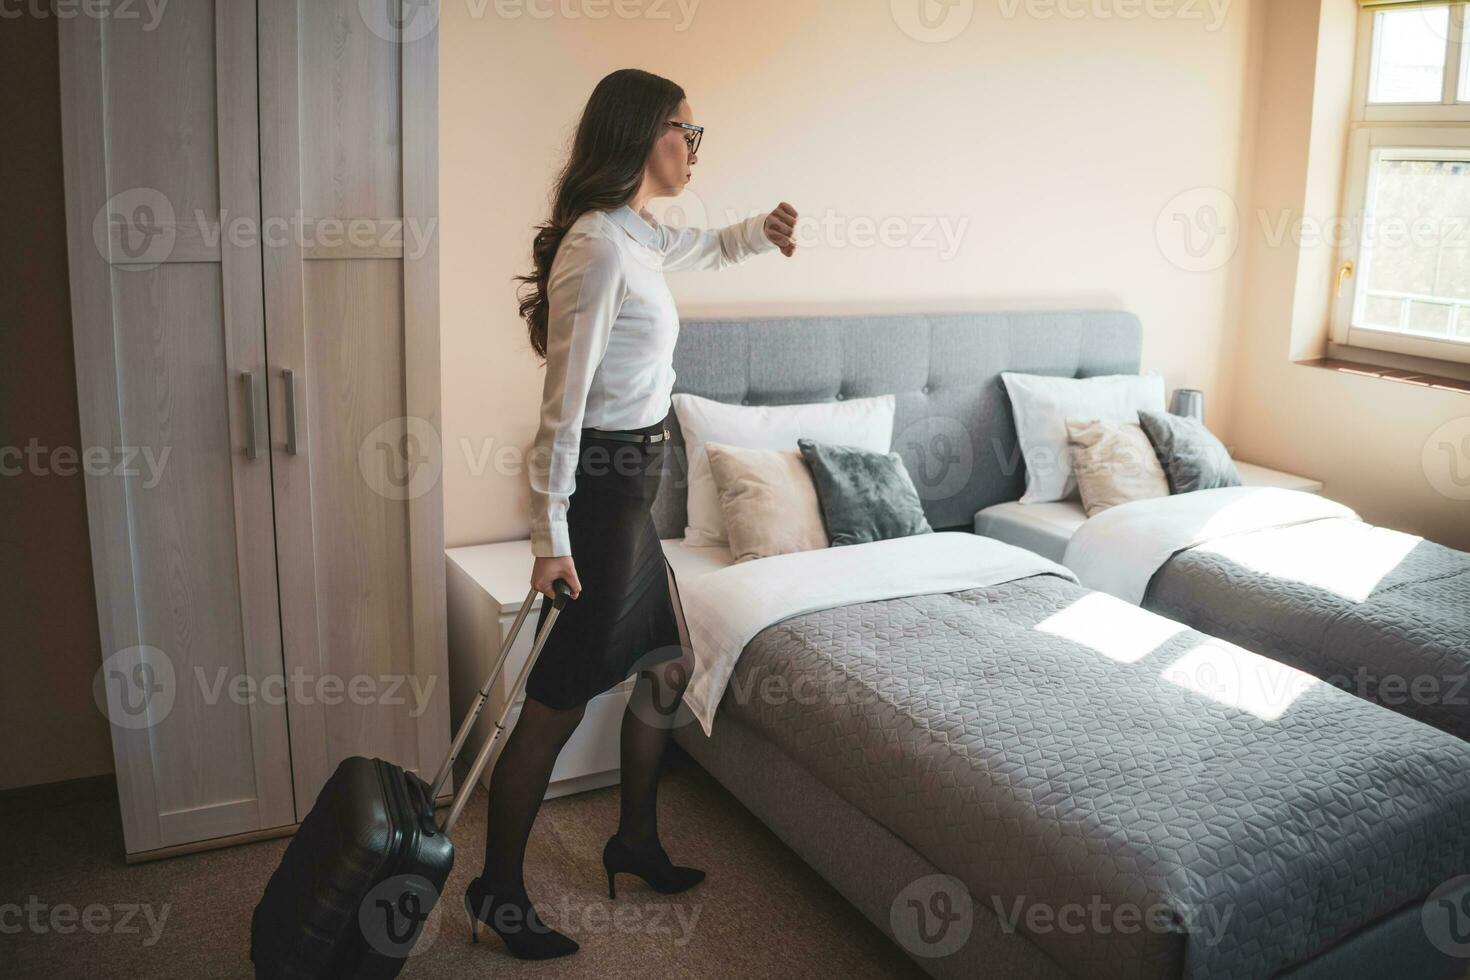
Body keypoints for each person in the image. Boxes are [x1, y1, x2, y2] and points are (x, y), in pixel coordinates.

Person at [464, 67, 798, 960]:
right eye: (687, 132)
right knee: (557, 699)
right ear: (644, 132)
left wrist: (761, 234)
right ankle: (497, 888)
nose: (694, 149)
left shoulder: (639, 233)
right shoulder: (597, 248)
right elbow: (562, 409)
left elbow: (711, 249)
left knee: (666, 665)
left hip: (634, 486)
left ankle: (634, 839)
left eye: (696, 136)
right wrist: (548, 536)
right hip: (607, 491)